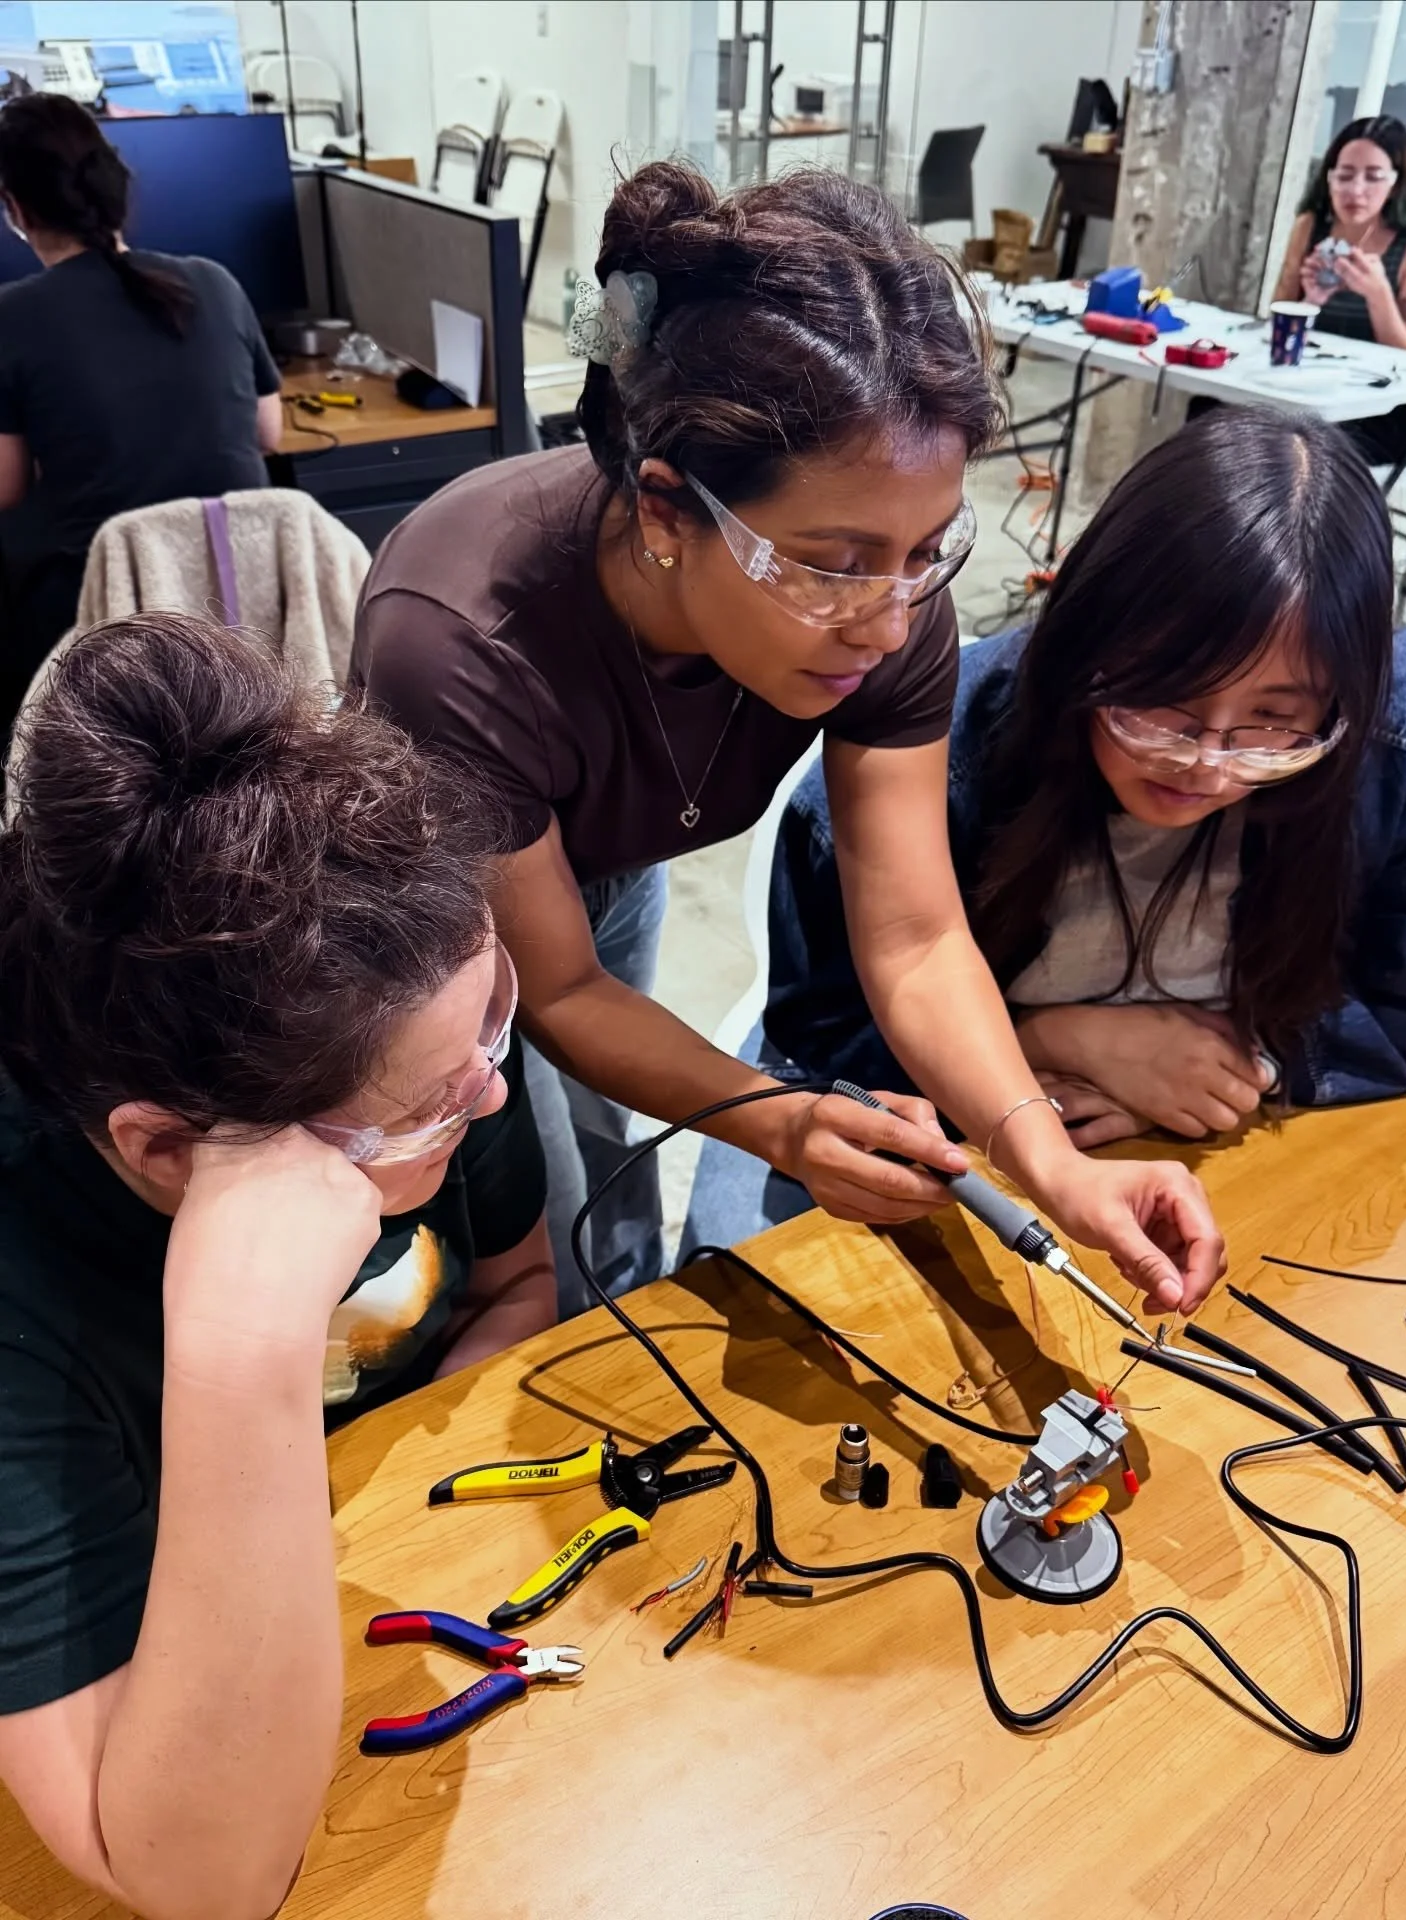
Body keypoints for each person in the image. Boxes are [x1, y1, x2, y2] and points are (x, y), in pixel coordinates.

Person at [352, 159, 1223, 1324]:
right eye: (833, 565)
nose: (891, 621)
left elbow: (915, 936)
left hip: (611, 849)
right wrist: (782, 1120)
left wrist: (1051, 1165)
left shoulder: (885, 595)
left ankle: (626, 1297)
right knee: (529, 1199)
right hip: (451, 897)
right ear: (667, 509)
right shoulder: (458, 640)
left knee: (615, 1139)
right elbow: (558, 987)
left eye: (928, 551)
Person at [0, 614, 554, 1918]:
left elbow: (520, 1288)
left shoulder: (416, 1031)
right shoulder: (24, 1293)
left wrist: (371, 1519)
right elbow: (204, 1881)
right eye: (429, 1108)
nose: (485, 1096)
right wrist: (241, 1357)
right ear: (168, 1150)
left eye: (493, 1023)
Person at [756, 408, 1406, 1226]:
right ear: (1090, 631)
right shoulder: (931, 765)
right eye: (1167, 702)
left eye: (1272, 722)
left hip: (1254, 1169)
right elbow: (827, 1043)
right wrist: (1046, 1042)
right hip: (962, 1182)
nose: (1205, 764)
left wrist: (1235, 1067)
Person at [0, 94, 283, 745]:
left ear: (16, 209)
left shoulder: (12, 315)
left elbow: (7, 486)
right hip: (236, 609)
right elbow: (268, 433)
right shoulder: (214, 280)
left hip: (103, 625)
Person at [1272, 113, 1406, 464]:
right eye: (1344, 176)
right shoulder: (1311, 226)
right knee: (1210, 411)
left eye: (1373, 177)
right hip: (1308, 388)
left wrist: (1378, 294)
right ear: (1329, 178)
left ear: (1396, 183)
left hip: (1380, 408)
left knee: (1287, 447)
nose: (1355, 190)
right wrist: (1311, 302)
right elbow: (1275, 332)